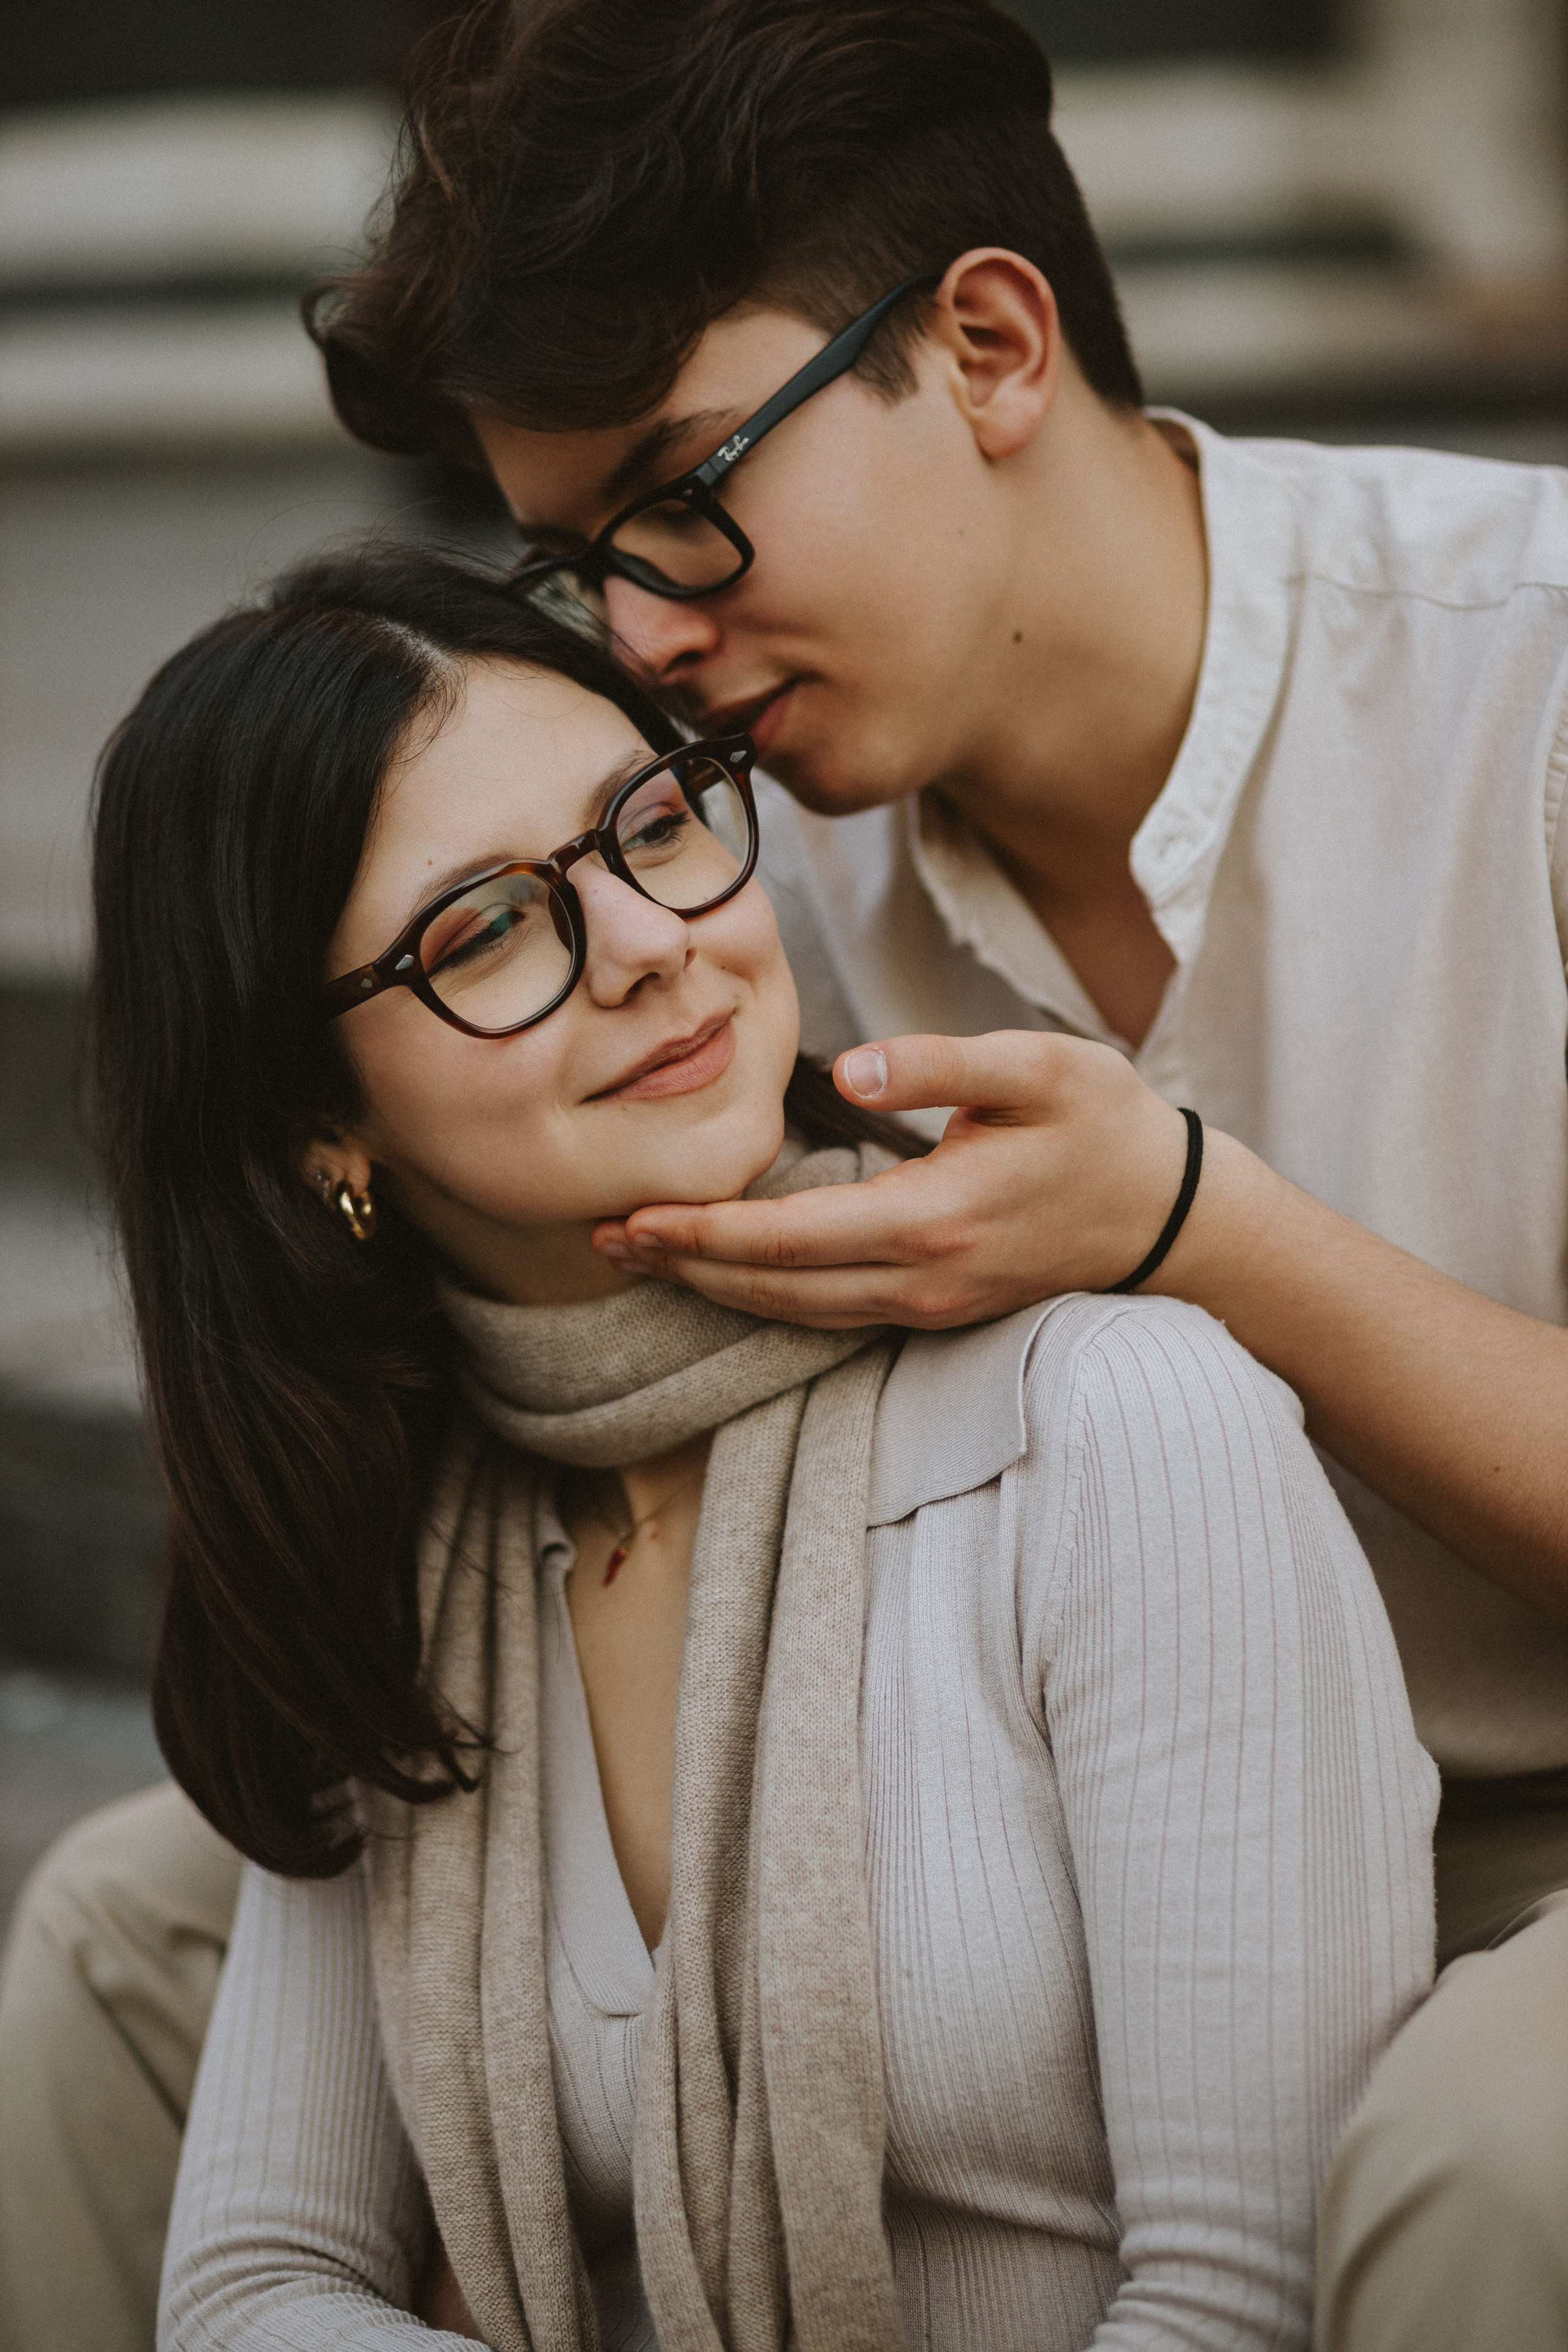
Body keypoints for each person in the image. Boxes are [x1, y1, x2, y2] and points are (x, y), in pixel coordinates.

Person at [293, 4, 1568, 2343]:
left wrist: (1198, 1228)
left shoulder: (1539, 680)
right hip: (1018, 1777)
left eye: (687, 494)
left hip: (1539, 1807)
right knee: (118, 1951)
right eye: (585, 563)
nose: (655, 646)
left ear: (985, 342)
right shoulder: (725, 877)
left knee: (1497, 2175)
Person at [66, 546, 1436, 2350]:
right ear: (320, 1117)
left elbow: (1249, 2300)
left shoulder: (1114, 1429)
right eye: (482, 930)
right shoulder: (404, 1544)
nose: (651, 942)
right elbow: (257, 2284)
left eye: (649, 822)